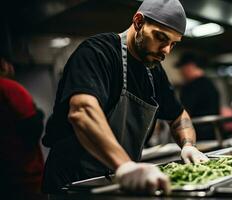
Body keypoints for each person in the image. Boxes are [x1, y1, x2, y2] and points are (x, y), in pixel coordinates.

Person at [42, 0, 209, 194]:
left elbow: (179, 116)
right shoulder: (98, 52)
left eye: (172, 44)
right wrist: (125, 165)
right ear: (138, 22)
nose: (166, 50)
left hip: (117, 181)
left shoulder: (153, 72)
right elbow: (82, 112)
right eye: (160, 37)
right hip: (75, 184)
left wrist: (188, 146)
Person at [0, 55, 45, 200]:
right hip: (23, 177)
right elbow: (33, 127)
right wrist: (40, 115)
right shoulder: (8, 87)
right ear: (4, 65)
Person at [175, 53, 220, 140]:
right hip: (215, 133)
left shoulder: (190, 86)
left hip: (198, 135)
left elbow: (184, 111)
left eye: (182, 68)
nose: (181, 72)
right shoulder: (210, 83)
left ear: (190, 66)